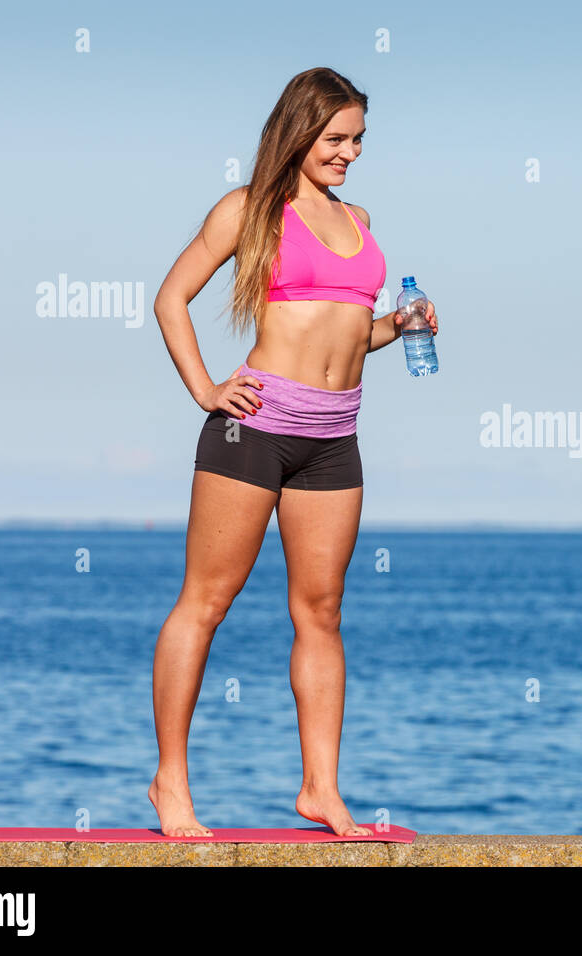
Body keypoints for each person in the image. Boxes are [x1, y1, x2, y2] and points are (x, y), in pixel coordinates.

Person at [147, 67, 438, 838]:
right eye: (336, 139)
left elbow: (347, 335)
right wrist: (206, 389)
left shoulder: (359, 219)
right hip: (254, 426)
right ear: (299, 131)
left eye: (358, 141)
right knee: (206, 603)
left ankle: (321, 790)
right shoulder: (250, 210)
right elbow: (169, 298)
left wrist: (401, 327)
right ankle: (170, 782)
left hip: (334, 437)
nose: (349, 153)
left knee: (322, 612)